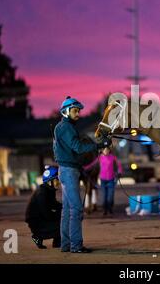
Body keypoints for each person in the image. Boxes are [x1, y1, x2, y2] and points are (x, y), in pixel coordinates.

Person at [53, 96, 111, 253]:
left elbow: (73, 149)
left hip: (67, 170)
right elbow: (77, 147)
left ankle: (66, 245)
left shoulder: (63, 127)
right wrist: (99, 145)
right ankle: (76, 246)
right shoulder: (66, 127)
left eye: (78, 111)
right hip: (69, 172)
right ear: (65, 112)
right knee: (77, 210)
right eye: (75, 111)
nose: (78, 113)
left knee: (67, 210)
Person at [25, 165, 62, 249]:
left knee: (62, 215)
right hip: (36, 222)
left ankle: (56, 242)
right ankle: (38, 237)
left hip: (41, 218)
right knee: (62, 224)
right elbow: (45, 211)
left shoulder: (49, 190)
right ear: (50, 181)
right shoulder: (42, 192)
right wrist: (57, 217)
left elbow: (54, 204)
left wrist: (64, 207)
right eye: (56, 181)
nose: (58, 183)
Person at [99, 147, 122, 216]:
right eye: (104, 150)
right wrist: (85, 168)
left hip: (111, 179)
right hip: (103, 179)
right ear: (102, 150)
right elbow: (92, 164)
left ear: (109, 150)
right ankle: (105, 210)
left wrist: (119, 172)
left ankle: (110, 208)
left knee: (110, 196)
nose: (106, 151)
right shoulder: (99, 157)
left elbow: (119, 165)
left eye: (107, 150)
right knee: (104, 196)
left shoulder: (112, 157)